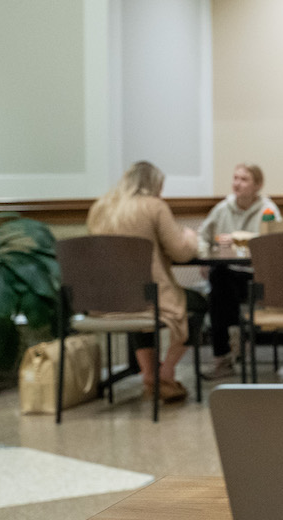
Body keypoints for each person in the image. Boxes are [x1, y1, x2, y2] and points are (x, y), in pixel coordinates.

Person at [86, 161, 206, 402]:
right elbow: (181, 252)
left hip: (107, 300)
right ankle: (166, 370)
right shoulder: (154, 206)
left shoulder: (100, 207)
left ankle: (149, 375)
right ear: (153, 185)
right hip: (149, 296)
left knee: (138, 303)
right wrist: (191, 237)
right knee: (199, 303)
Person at [197, 163, 280, 378]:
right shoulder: (222, 208)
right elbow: (202, 237)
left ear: (257, 185)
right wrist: (205, 259)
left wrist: (239, 239)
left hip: (257, 276)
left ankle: (238, 337)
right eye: (235, 178)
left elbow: (276, 243)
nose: (237, 184)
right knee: (219, 280)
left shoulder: (268, 210)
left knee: (223, 286)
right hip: (227, 273)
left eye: (244, 179)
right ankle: (223, 356)